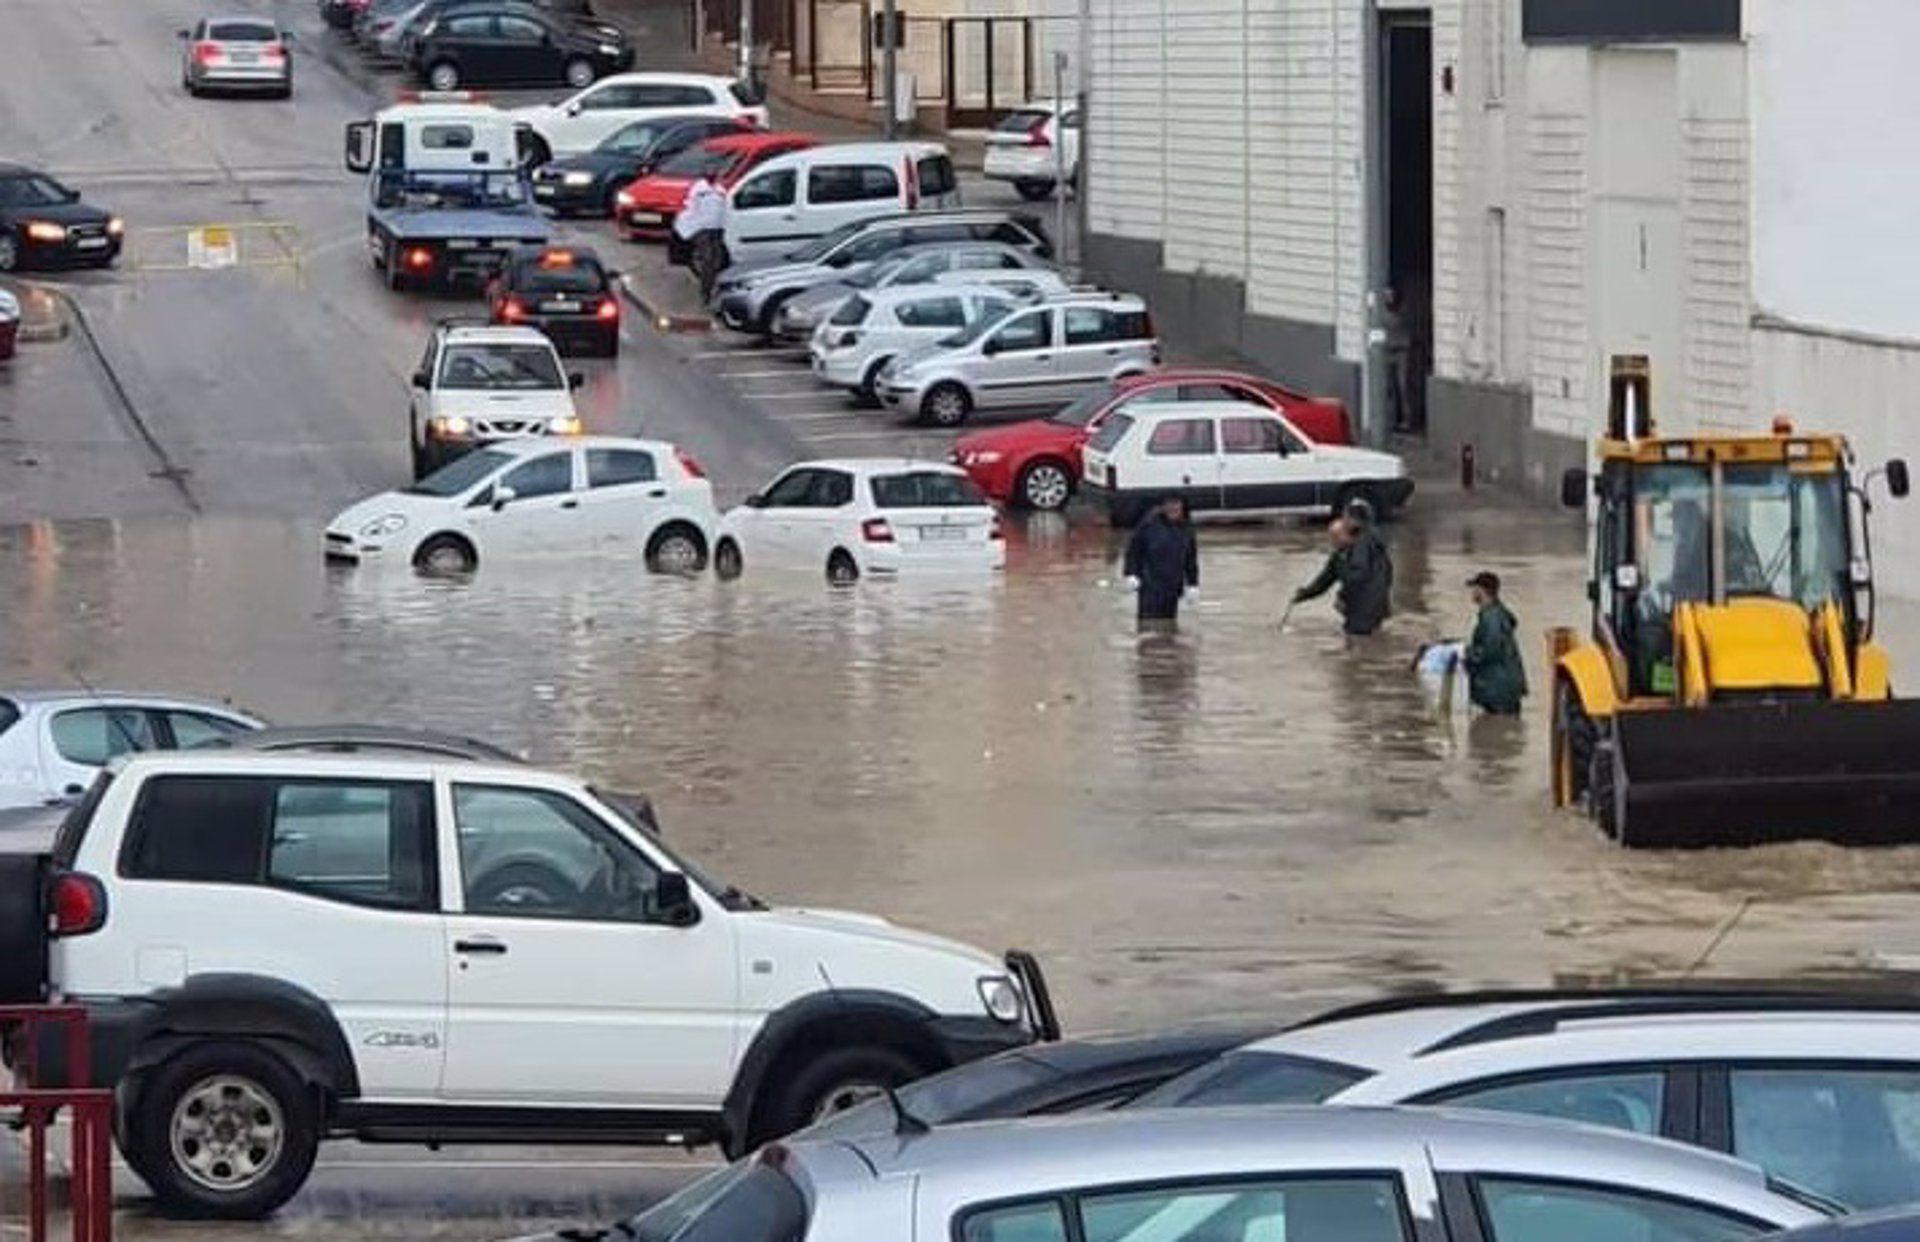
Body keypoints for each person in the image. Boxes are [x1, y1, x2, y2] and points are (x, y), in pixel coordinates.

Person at [1293, 499, 1393, 636]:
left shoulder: (1363, 543)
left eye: (1345, 516)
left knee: (1357, 642)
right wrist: (1304, 594)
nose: (1332, 542)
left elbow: (1358, 576)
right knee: (1364, 641)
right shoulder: (1341, 555)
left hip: (1366, 608)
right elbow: (1324, 581)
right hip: (1368, 607)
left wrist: (1342, 596)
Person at [1124, 495, 1199, 631]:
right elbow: (1134, 550)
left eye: (1176, 505)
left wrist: (1193, 584)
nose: (1173, 508)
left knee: (1168, 628)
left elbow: (1191, 559)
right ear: (1164, 506)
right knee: (1148, 629)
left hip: (1173, 589)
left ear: (1182, 507)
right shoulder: (1149, 524)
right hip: (1150, 588)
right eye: (1169, 505)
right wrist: (1130, 573)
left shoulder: (1187, 529)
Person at [1461, 571, 1527, 715]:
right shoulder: (1496, 614)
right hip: (1503, 688)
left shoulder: (1492, 618)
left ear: (1482, 590)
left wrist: (1466, 654)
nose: (1472, 592)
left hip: (1497, 689)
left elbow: (1490, 650)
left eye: (1474, 588)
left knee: (1496, 731)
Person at [674, 174, 729, 303]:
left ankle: (712, 287)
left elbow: (724, 208)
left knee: (717, 260)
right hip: (702, 229)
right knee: (708, 259)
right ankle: (706, 292)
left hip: (717, 229)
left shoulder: (720, 190)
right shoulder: (698, 190)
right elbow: (690, 207)